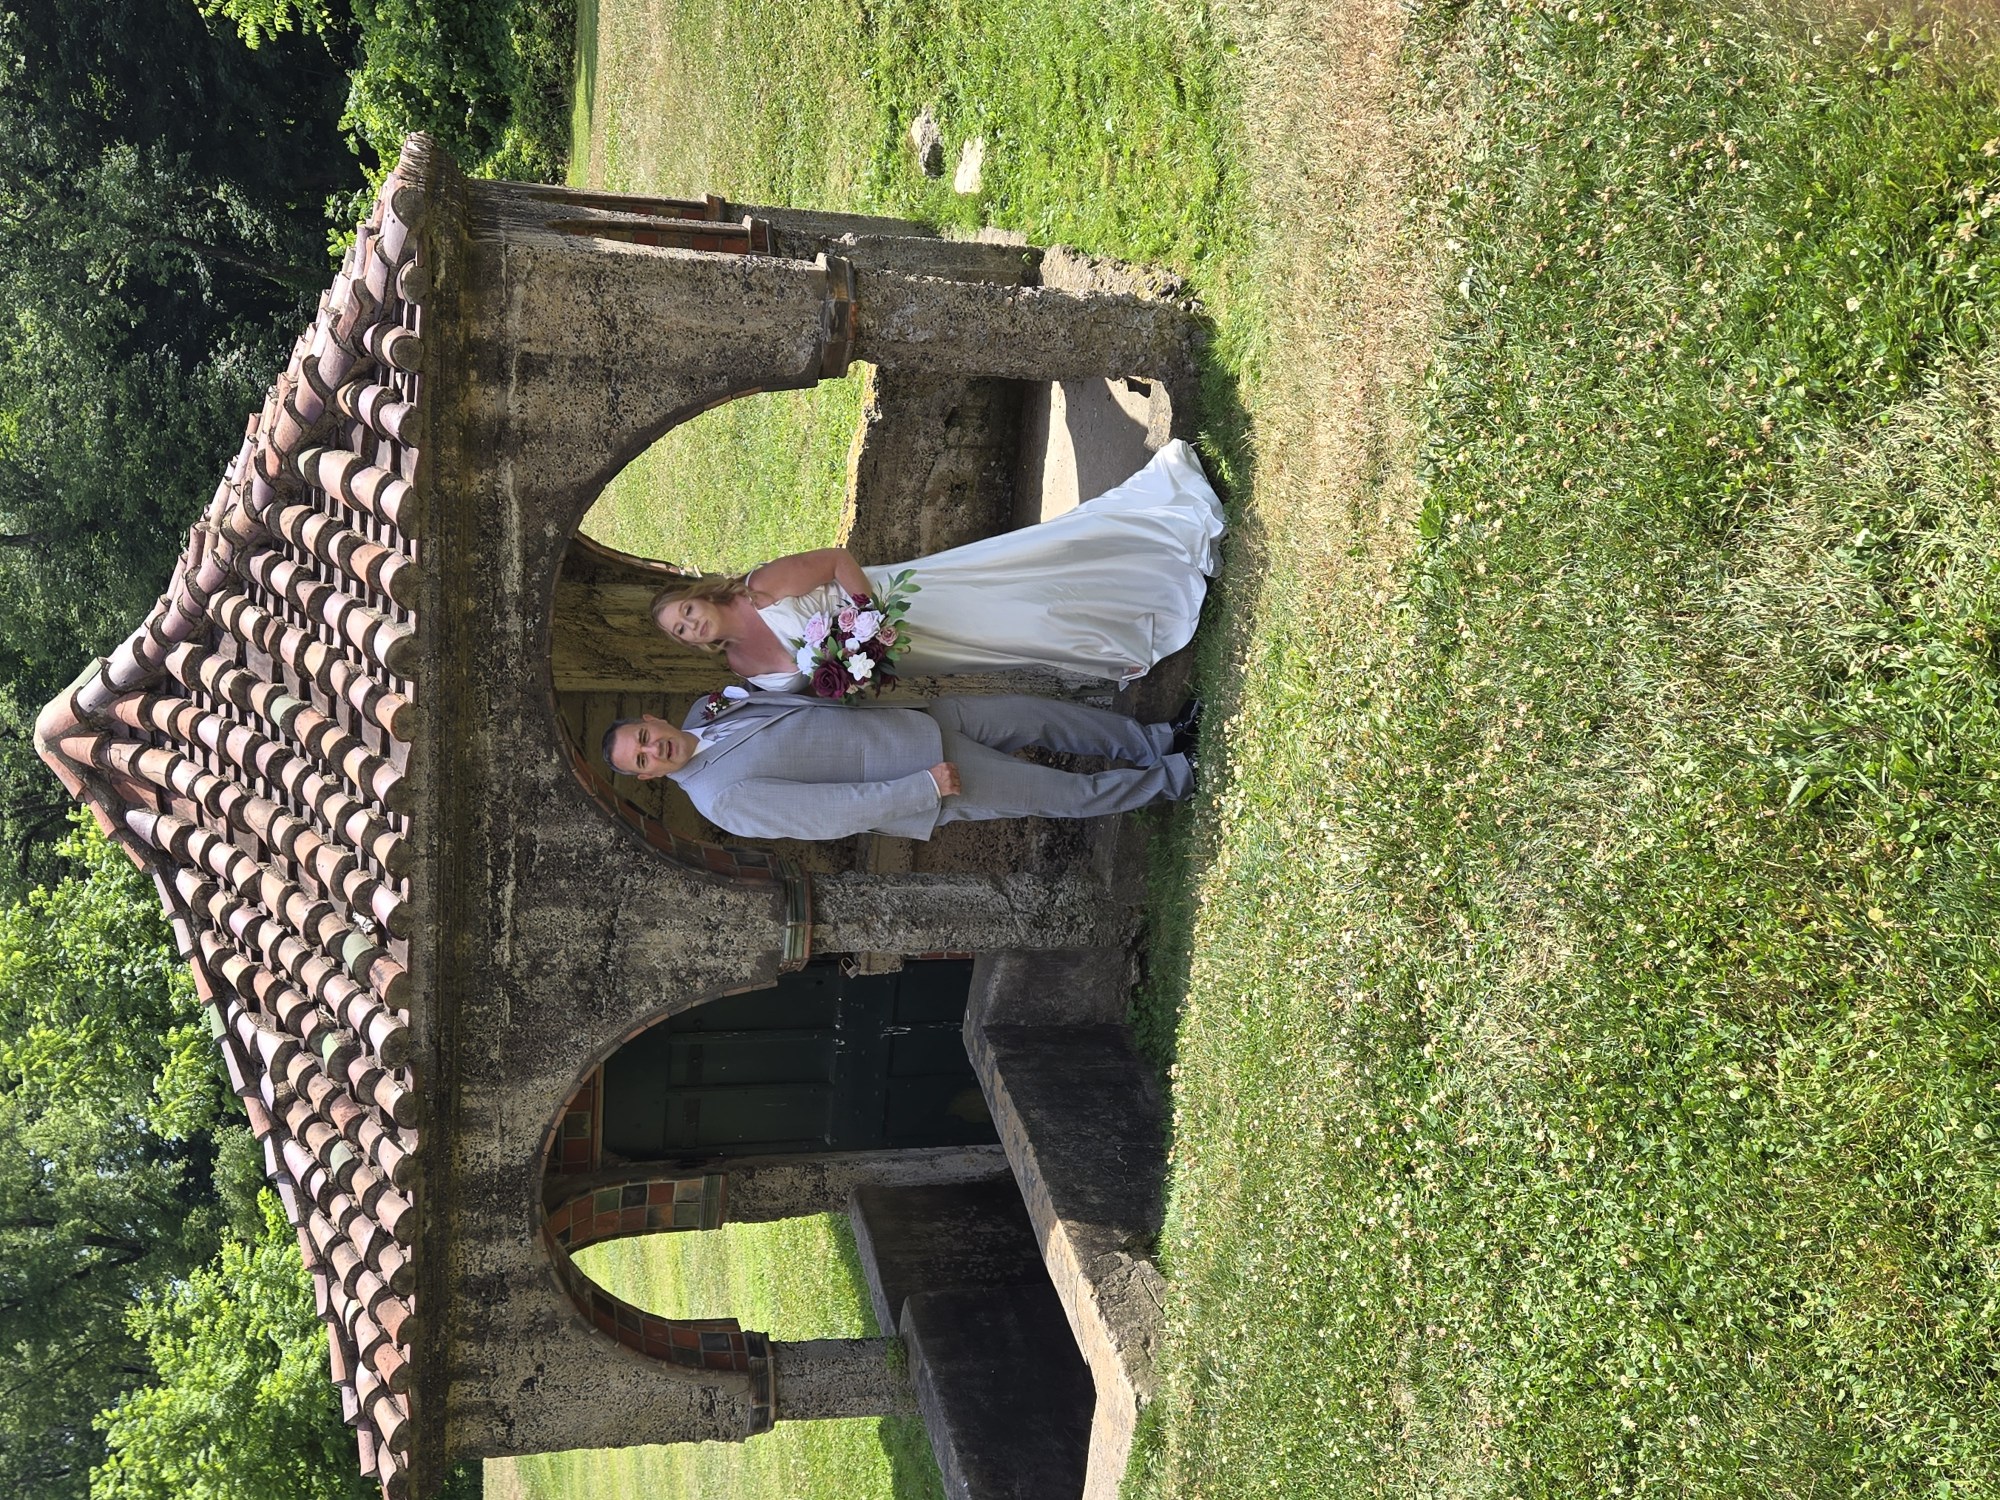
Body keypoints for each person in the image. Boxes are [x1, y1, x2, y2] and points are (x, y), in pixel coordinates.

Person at [650, 439, 1224, 690]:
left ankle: (1142, 567)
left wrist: (867, 620)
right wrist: (854, 676)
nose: (690, 625)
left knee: (1018, 605)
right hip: (910, 653)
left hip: (906, 604)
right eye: (680, 631)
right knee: (1009, 647)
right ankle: (1117, 637)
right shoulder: (740, 667)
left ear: (698, 596)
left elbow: (837, 560)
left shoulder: (760, 589)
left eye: (686, 612)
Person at [601, 691, 1201, 842]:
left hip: (915, 718)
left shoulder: (706, 708)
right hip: (930, 777)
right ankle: (1179, 776)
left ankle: (1157, 739)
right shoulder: (720, 800)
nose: (654, 750)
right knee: (1060, 792)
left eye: (644, 738)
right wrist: (920, 790)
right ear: (648, 777)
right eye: (642, 761)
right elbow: (827, 815)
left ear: (652, 719)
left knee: (1041, 716)